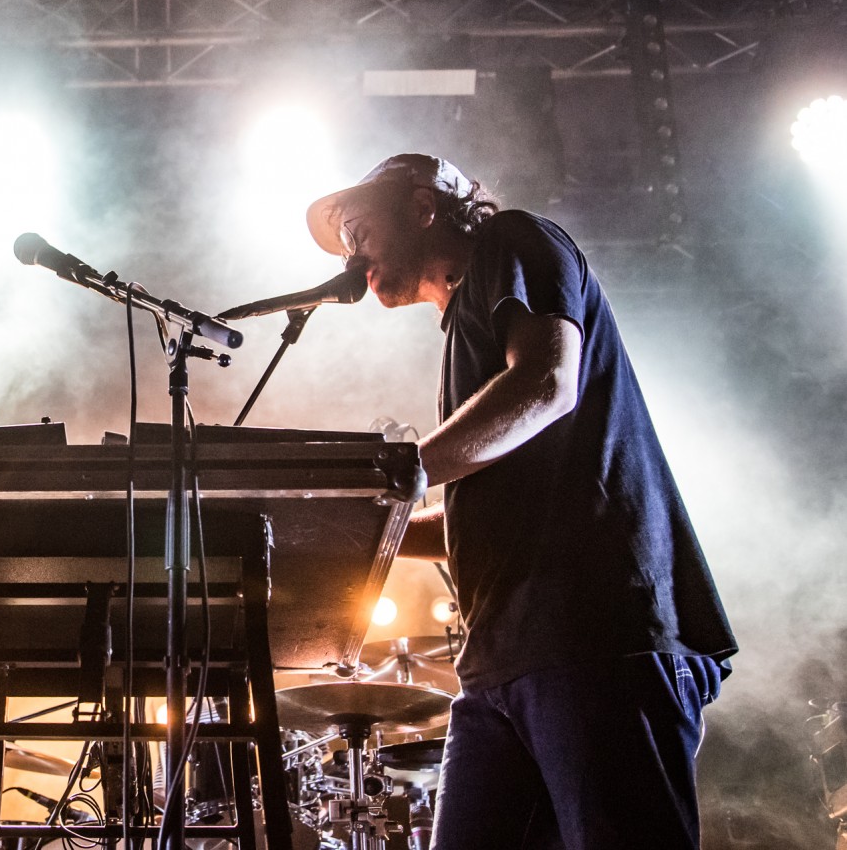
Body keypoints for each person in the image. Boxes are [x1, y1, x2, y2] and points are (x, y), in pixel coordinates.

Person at [304, 154, 737, 849]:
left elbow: (546, 383)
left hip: (594, 635)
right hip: (503, 663)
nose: (353, 255)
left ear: (422, 207)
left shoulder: (513, 241)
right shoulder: (460, 335)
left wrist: (400, 473)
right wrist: (360, 533)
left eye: (359, 229)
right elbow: (487, 516)